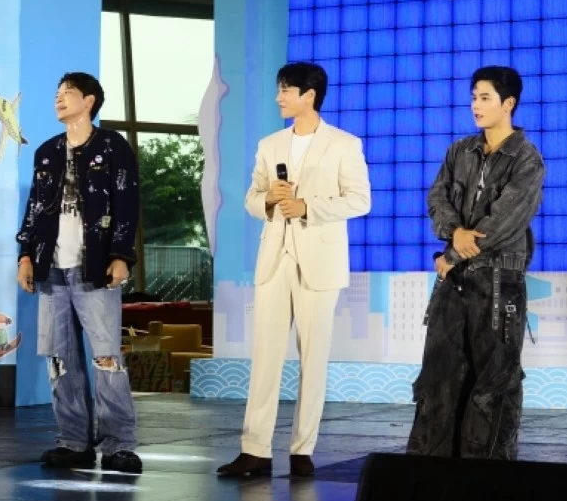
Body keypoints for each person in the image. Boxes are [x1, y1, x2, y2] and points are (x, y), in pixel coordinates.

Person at [218, 62, 372, 479]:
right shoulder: (270, 145)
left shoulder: (344, 144)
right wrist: (268, 199)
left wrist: (308, 208)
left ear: (310, 95)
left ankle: (303, 449)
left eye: (285, 90)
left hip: (320, 262)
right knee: (265, 356)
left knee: (313, 359)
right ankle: (255, 450)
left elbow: (360, 200)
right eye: (279, 90)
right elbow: (251, 198)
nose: (278, 98)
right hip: (274, 260)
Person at [405, 66, 545, 460]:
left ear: (509, 104)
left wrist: (453, 252)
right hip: (454, 280)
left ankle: (486, 479)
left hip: (499, 284)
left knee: (492, 384)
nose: (476, 105)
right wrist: (454, 234)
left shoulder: (527, 160)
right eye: (473, 97)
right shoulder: (459, 151)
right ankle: (430, 475)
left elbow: (504, 221)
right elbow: (437, 199)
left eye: (485, 98)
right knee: (438, 379)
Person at [16, 73, 143, 474]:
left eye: (67, 93)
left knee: (106, 356)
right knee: (59, 358)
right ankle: (73, 440)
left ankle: (119, 443)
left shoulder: (112, 146)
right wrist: (25, 255)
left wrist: (122, 254)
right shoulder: (47, 152)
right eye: (56, 94)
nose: (59, 99)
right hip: (51, 269)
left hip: (95, 268)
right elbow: (35, 209)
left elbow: (127, 201)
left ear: (89, 101)